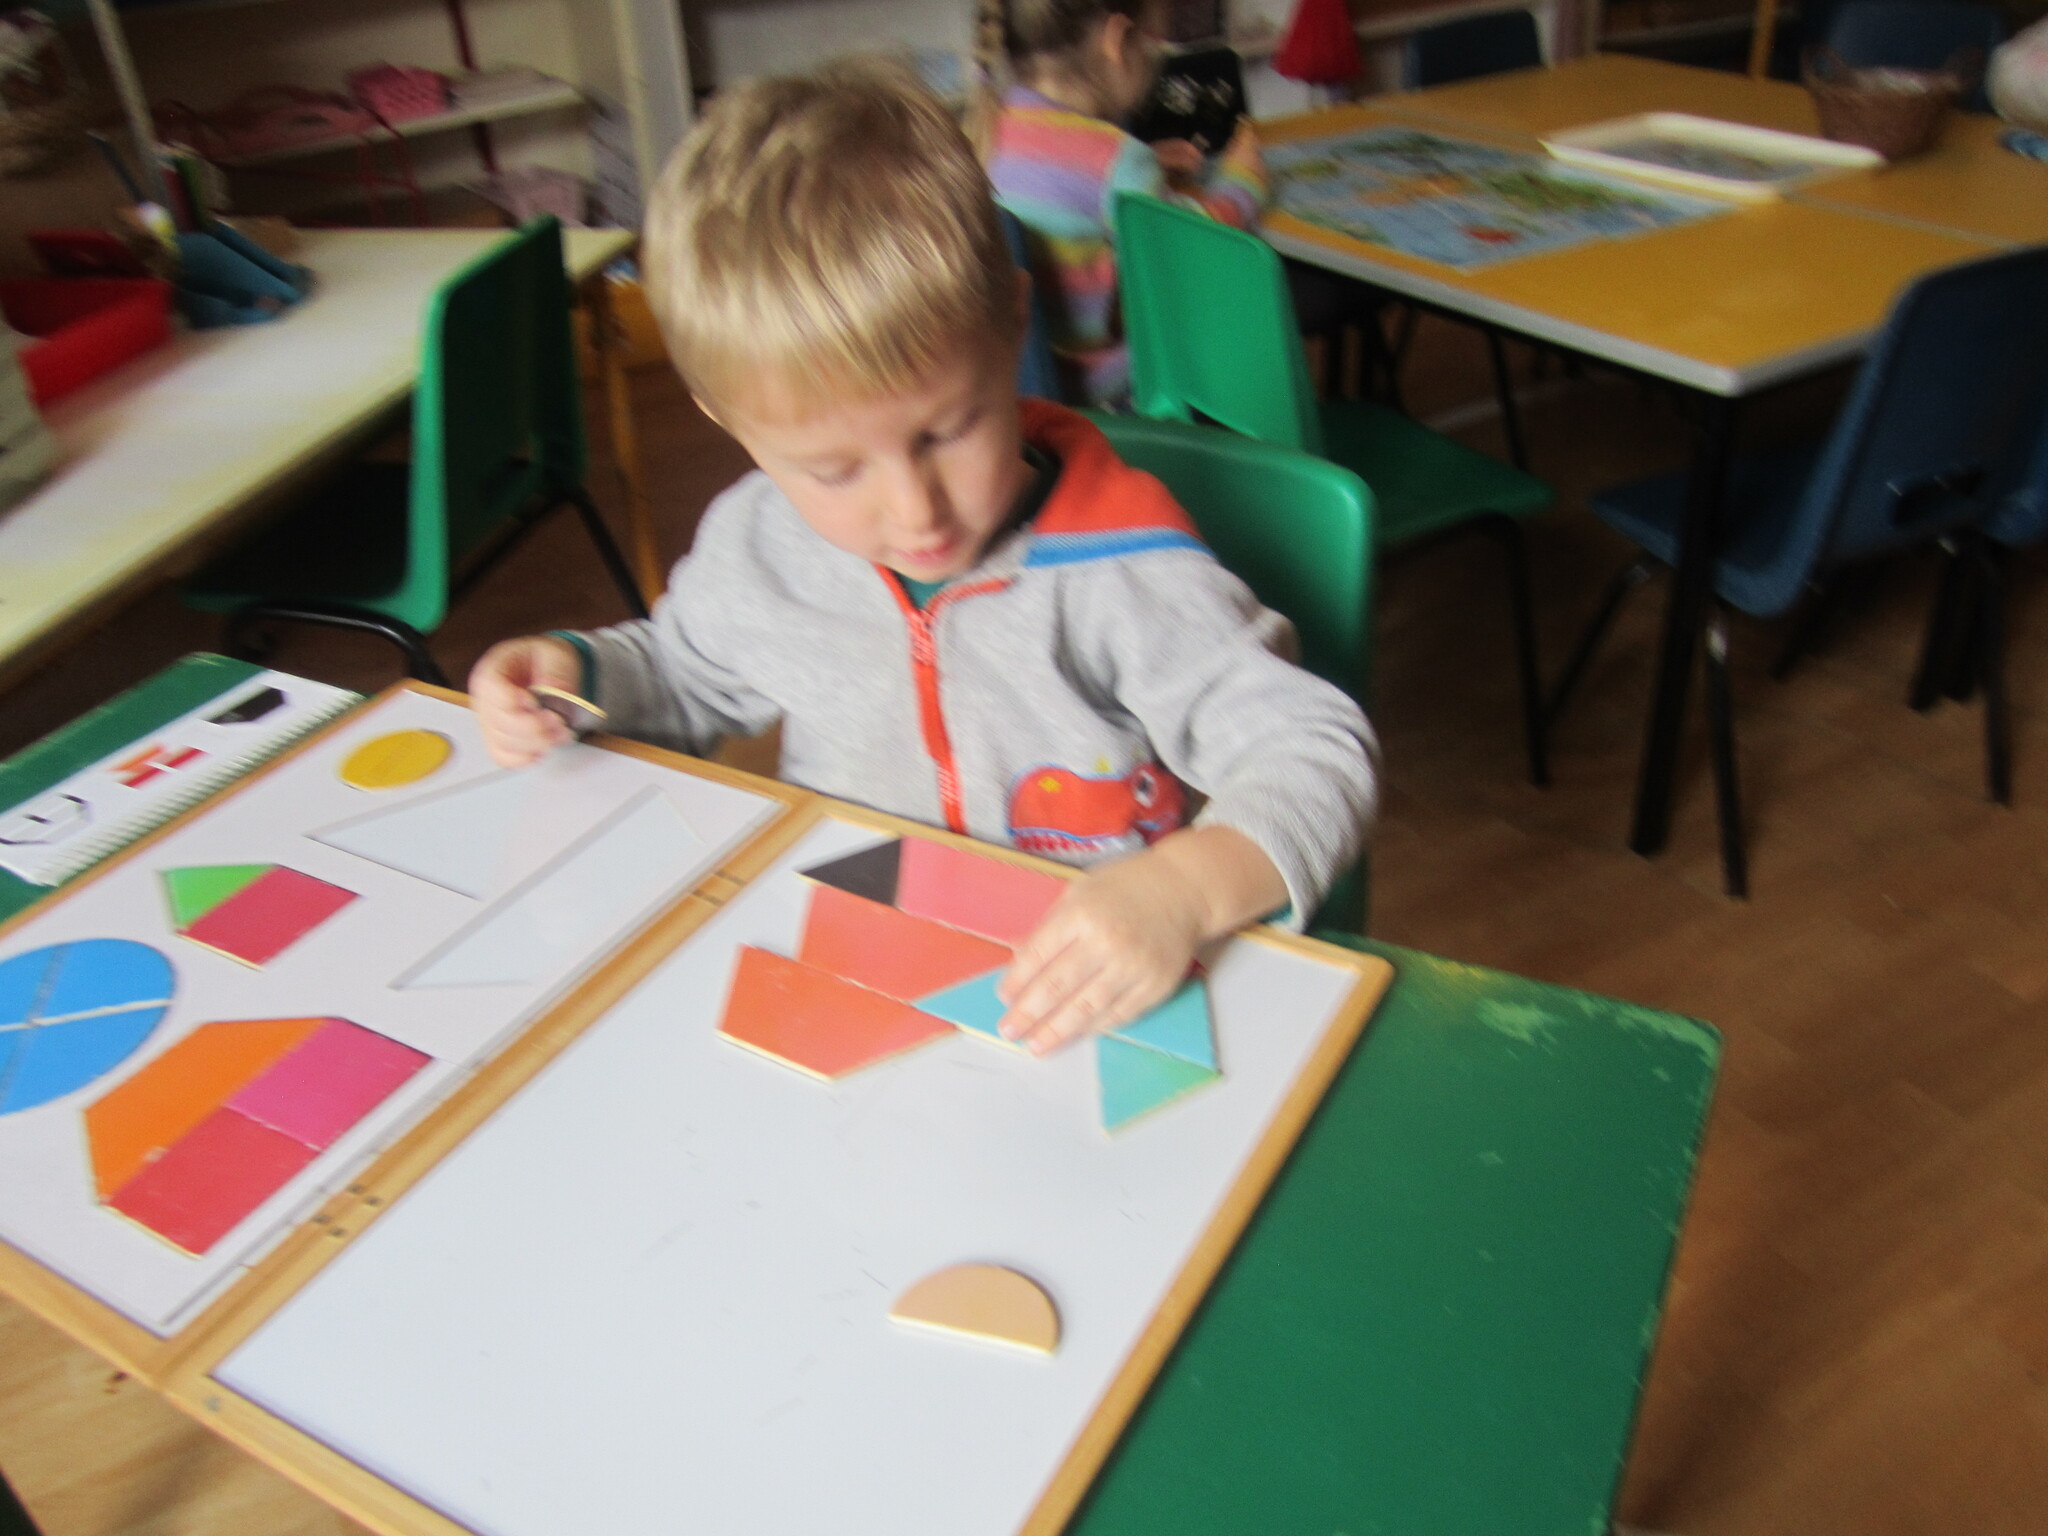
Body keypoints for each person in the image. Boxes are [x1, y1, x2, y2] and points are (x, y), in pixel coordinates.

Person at [468, 60, 1376, 1056]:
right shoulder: (759, 544)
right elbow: (682, 674)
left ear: (1013, 326)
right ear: (731, 424)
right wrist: (578, 676)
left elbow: (1312, 750)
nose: (914, 510)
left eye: (948, 432)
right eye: (833, 470)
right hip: (860, 973)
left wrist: (1182, 891)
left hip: (1087, 1002)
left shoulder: (1122, 568)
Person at [972, 0, 1267, 405]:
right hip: (1106, 398)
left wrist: (1145, 161)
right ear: (1118, 41)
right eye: (1151, 43)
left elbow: (1064, 177)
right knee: (1237, 316)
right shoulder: (1117, 160)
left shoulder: (988, 127)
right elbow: (1191, 251)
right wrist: (1242, 183)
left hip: (1018, 390)